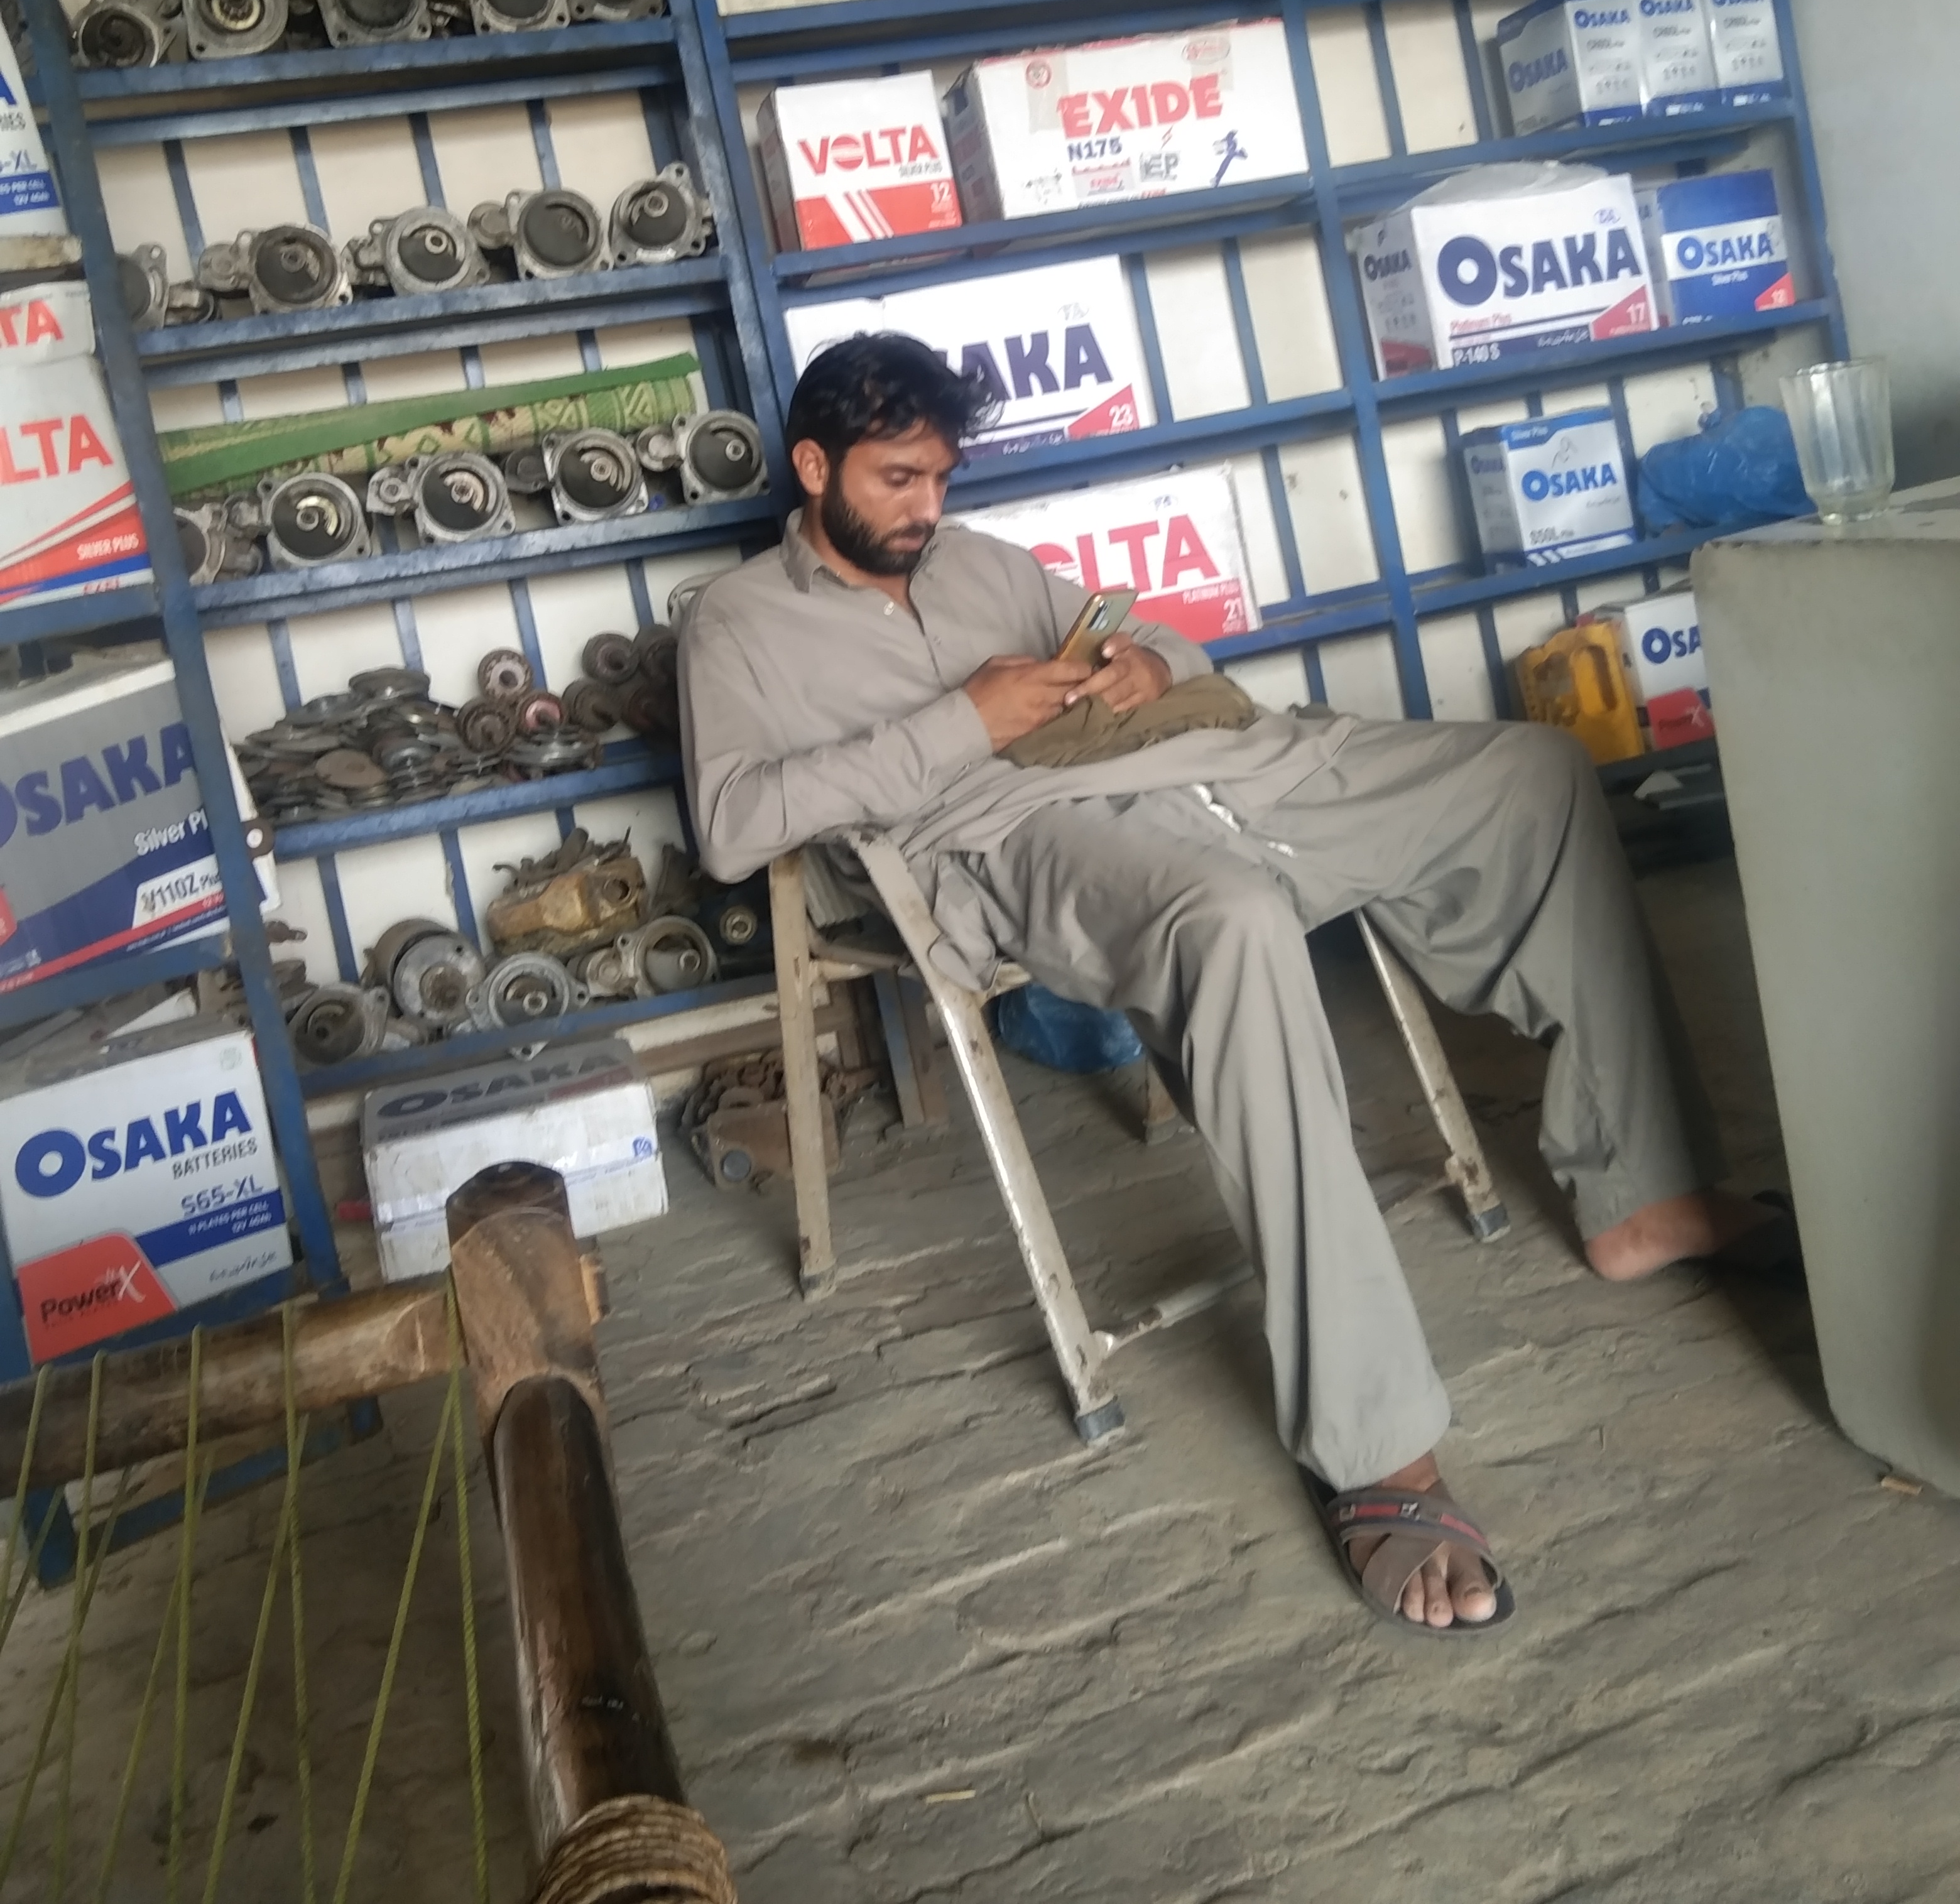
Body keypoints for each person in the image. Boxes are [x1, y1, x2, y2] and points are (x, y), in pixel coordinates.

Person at [678, 334, 1787, 1636]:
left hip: (1207, 769)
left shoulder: (982, 563)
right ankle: (1377, 1445)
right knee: (1240, 923)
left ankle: (1645, 1190)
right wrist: (963, 721)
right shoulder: (737, 622)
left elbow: (1136, 632)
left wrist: (1153, 662)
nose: (929, 508)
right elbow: (733, 825)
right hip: (1015, 834)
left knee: (1532, 777)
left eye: (942, 477)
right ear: (815, 467)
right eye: (898, 480)